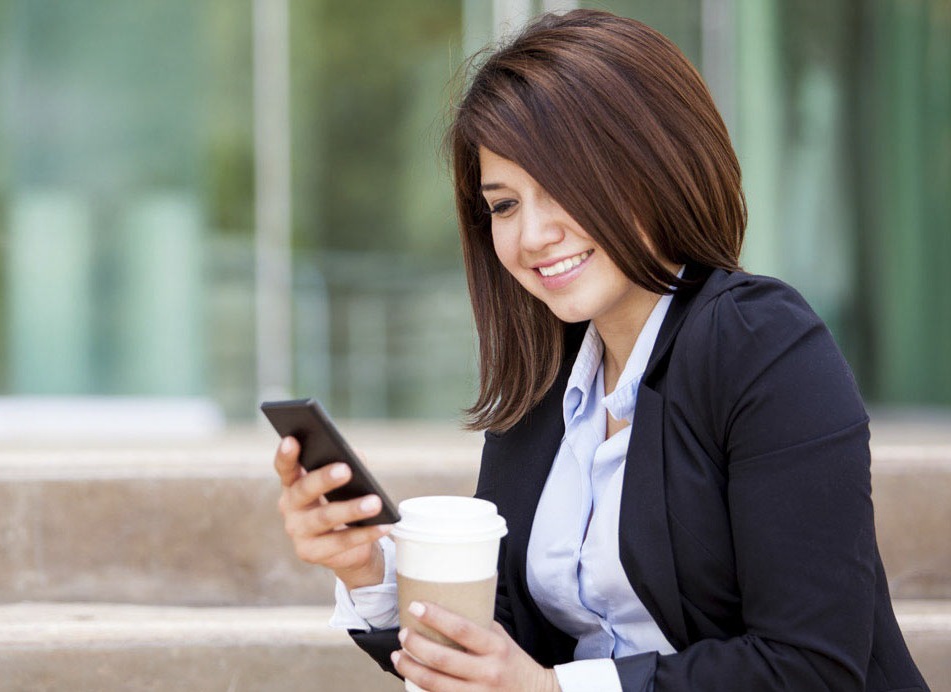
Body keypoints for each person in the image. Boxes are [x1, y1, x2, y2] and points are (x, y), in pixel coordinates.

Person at [272, 9, 929, 691]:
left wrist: (554, 689)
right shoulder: (547, 380)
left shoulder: (758, 344)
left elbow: (813, 665)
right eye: (502, 205)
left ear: (655, 167)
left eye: (561, 188)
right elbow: (511, 644)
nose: (530, 237)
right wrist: (369, 570)